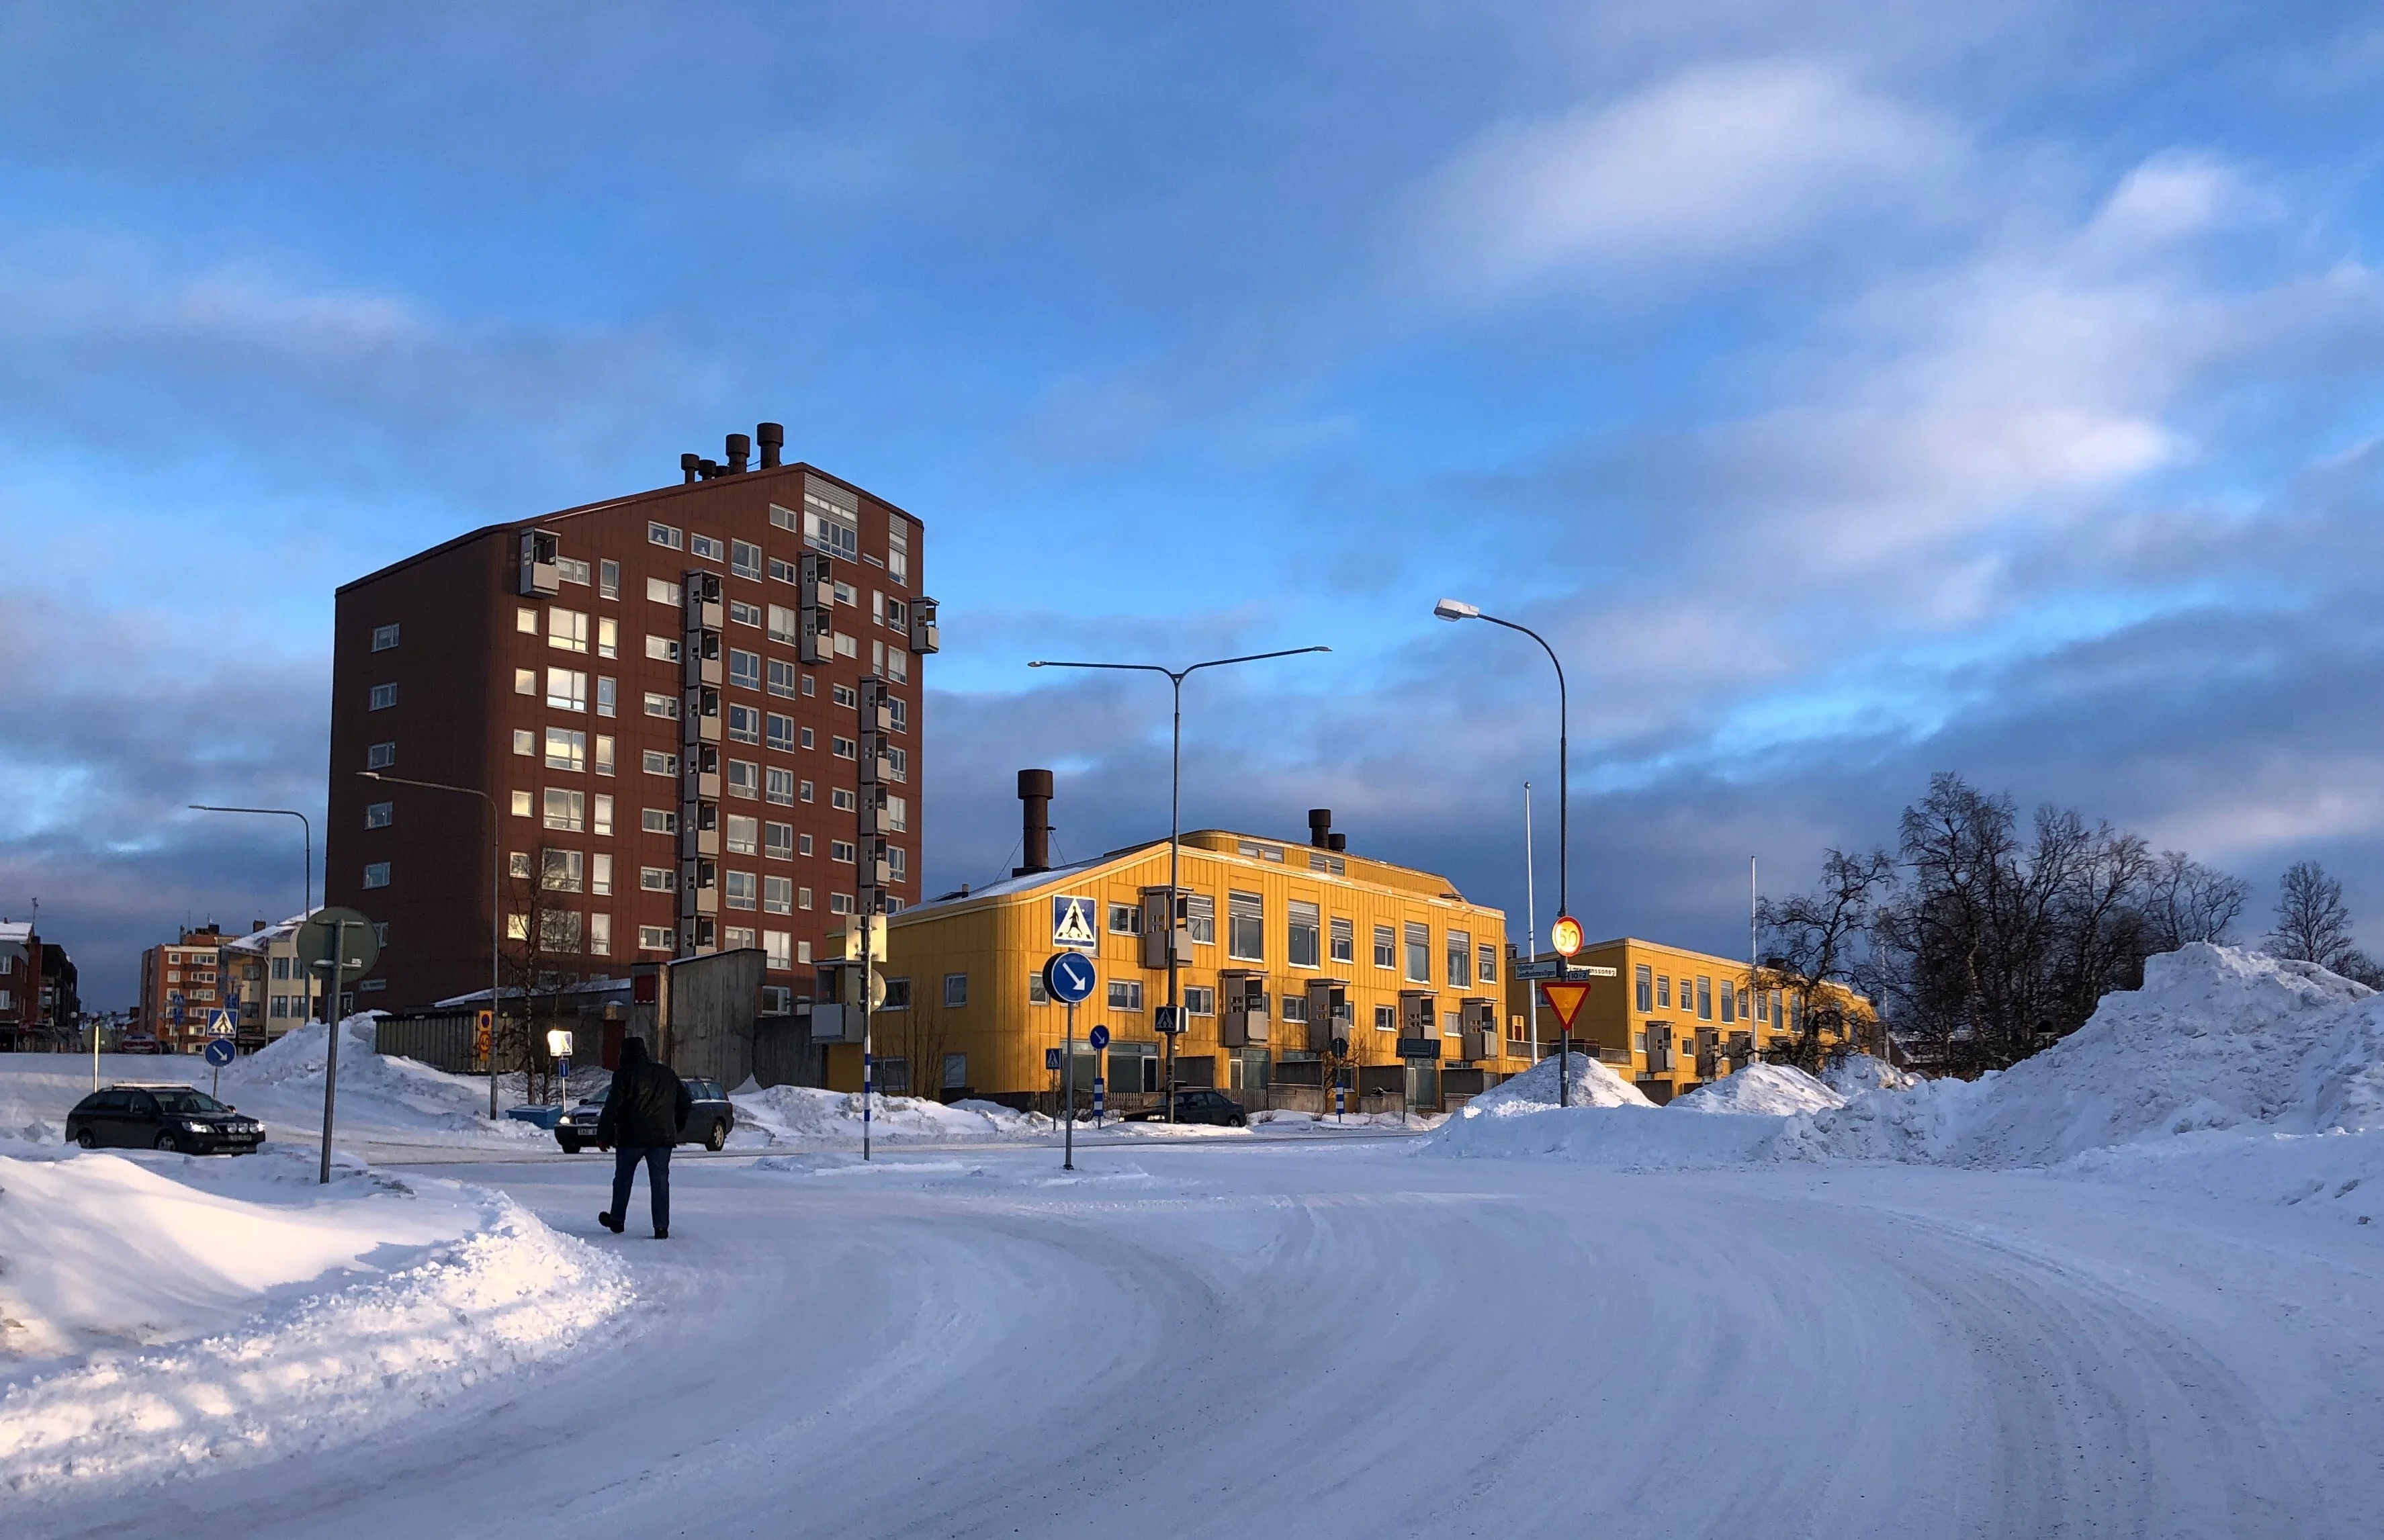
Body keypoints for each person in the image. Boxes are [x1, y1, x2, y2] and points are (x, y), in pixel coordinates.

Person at [596, 1036, 692, 1238]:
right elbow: (685, 1103)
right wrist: (676, 1126)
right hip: (662, 1138)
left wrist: (603, 1135)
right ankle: (661, 1227)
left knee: (623, 1178)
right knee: (660, 1182)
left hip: (631, 1136)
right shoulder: (667, 1074)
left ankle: (617, 1220)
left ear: (625, 1054)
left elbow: (612, 1106)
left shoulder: (624, 1075)